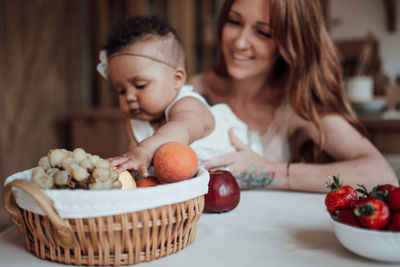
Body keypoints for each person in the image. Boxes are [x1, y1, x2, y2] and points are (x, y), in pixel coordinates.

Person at [189, 0, 399, 192]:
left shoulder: (296, 106)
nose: (240, 42)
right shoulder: (192, 89)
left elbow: (381, 175)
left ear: (289, 44)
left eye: (263, 33)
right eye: (234, 21)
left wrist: (270, 172)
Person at [97, 16, 254, 179]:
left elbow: (181, 129)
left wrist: (143, 151)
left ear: (177, 79)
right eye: (120, 91)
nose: (129, 97)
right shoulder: (134, 123)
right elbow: (139, 166)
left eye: (141, 85)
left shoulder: (188, 105)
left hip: (238, 179)